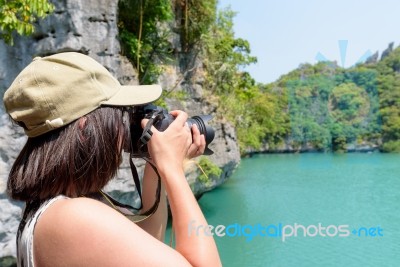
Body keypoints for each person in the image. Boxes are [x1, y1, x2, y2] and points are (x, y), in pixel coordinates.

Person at [3, 52, 221, 267]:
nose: (124, 129)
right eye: (119, 116)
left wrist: (156, 163)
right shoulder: (73, 217)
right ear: (85, 128)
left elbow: (149, 247)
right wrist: (172, 169)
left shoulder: (48, 210)